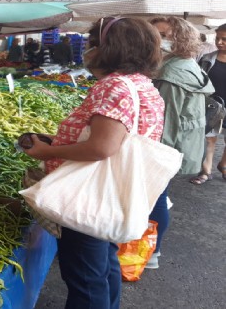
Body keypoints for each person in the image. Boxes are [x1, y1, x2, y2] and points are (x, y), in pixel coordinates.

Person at [23, 17, 166, 309]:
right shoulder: (144, 86)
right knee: (103, 264)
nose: (88, 50)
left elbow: (102, 146)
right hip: (115, 191)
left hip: (90, 194)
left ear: (110, 47)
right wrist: (58, 140)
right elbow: (117, 137)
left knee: (85, 278)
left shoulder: (113, 86)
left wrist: (46, 153)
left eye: (92, 44)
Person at [148, 16, 214, 269]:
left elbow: (167, 121)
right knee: (159, 198)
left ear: (180, 39)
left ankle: (151, 252)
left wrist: (156, 158)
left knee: (156, 198)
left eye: (164, 35)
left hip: (167, 146)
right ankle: (151, 249)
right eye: (155, 34)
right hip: (183, 143)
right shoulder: (187, 63)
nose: (158, 40)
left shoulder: (171, 72)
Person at [192, 24, 226, 184]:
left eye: (224, 39)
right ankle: (206, 171)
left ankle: (224, 165)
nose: (219, 42)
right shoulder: (206, 59)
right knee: (209, 139)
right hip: (211, 105)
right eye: (217, 38)